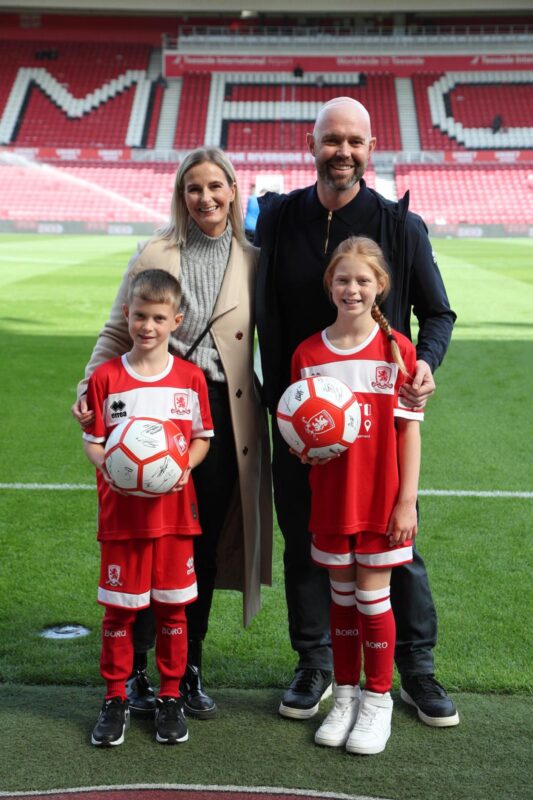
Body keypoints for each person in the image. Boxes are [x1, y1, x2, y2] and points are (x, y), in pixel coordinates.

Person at [255, 97, 459, 726]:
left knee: (397, 544)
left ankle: (415, 669)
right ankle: (315, 661)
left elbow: (439, 313)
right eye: (330, 140)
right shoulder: (281, 218)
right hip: (297, 424)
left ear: (370, 150)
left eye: (354, 142)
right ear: (311, 145)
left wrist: (424, 362)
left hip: (375, 425)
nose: (341, 152)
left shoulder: (399, 226)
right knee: (306, 543)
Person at [73, 147, 272, 720]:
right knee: (141, 536)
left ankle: (186, 669)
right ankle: (135, 668)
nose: (205, 198)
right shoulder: (155, 251)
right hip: (147, 407)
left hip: (217, 415)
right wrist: (90, 390)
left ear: (234, 191)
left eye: (215, 186)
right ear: (181, 195)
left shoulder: (254, 260)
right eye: (193, 188)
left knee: (199, 543)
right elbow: (117, 328)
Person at [291, 236, 423, 755]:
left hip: (380, 500)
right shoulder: (308, 352)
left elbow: (408, 432)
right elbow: (299, 427)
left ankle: (377, 700)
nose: (352, 289)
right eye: (343, 279)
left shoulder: (397, 350)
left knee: (373, 600)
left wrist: (406, 501)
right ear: (329, 285)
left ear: (380, 288)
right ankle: (343, 696)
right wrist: (305, 449)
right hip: (331, 498)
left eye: (362, 281)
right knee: (341, 600)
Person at [82, 269, 213, 746]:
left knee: (172, 611)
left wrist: (183, 469)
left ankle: (171, 695)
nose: (148, 326)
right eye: (140, 316)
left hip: (176, 518)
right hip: (123, 518)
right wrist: (113, 469)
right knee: (119, 613)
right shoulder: (106, 377)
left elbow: (200, 439)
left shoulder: (190, 379)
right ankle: (115, 697)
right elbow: (94, 443)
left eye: (159, 317)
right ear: (127, 315)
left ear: (176, 320)